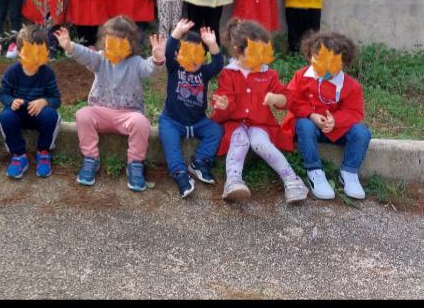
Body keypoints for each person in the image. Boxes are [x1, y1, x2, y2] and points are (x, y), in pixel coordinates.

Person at [55, 16, 165, 192]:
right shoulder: (100, 59)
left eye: (119, 42)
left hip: (128, 114)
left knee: (141, 122)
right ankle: (91, 158)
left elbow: (148, 69)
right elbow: (86, 55)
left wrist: (157, 58)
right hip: (101, 111)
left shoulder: (135, 63)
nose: (112, 46)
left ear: (130, 45)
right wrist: (69, 46)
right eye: (109, 41)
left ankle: (135, 164)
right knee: (83, 115)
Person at [210, 18, 308, 203]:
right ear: (238, 50)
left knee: (259, 142)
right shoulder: (228, 73)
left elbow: (286, 97)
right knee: (239, 140)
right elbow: (225, 103)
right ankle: (233, 181)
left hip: (260, 124)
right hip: (234, 123)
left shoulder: (268, 74)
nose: (259, 58)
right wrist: (223, 105)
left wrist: (276, 98)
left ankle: (292, 180)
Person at [282, 31, 371, 200]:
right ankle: (314, 171)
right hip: (309, 129)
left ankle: (349, 173)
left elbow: (354, 111)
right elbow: (291, 100)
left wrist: (335, 120)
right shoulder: (301, 77)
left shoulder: (351, 86)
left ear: (343, 63)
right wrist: (311, 115)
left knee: (362, 133)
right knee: (304, 124)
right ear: (310, 56)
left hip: (336, 131)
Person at [158, 19, 224, 197]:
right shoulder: (174, 68)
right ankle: (180, 174)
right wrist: (177, 33)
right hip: (172, 120)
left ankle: (199, 163)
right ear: (178, 55)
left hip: (198, 121)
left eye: (198, 55)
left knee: (216, 130)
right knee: (171, 144)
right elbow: (169, 49)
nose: (192, 60)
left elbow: (218, 64)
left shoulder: (204, 72)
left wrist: (212, 44)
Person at [0, 25, 61, 179]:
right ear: (19, 53)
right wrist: (11, 101)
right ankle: (18, 155)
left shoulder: (47, 73)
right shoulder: (13, 72)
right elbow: (3, 94)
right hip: (18, 114)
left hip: (39, 115)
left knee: (51, 115)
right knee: (5, 117)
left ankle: (43, 152)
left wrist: (44, 101)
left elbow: (56, 99)